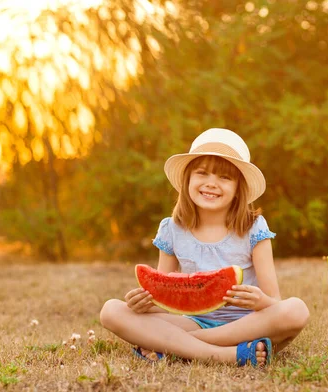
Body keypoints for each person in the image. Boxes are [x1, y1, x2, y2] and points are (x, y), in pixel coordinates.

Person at [100, 128, 309, 366]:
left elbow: (275, 302)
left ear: (238, 187)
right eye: (202, 173)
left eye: (224, 177)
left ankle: (176, 347)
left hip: (249, 323)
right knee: (111, 311)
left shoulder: (254, 227)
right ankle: (228, 355)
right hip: (195, 321)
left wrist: (261, 301)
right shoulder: (171, 229)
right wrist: (145, 303)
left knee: (296, 310)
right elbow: (166, 297)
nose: (211, 184)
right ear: (188, 178)